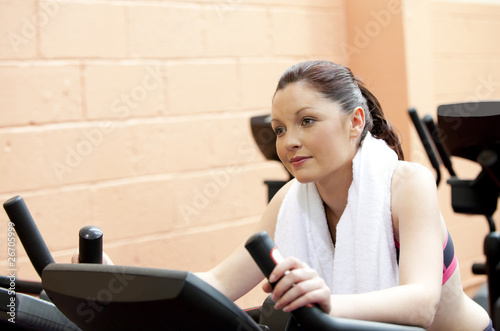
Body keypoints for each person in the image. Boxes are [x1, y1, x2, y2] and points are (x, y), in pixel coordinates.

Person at [72, 60, 492, 330]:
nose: (289, 141)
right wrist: (121, 284)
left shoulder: (406, 185)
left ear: (355, 122)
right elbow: (218, 282)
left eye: (307, 120)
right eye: (279, 129)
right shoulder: (290, 201)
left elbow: (421, 305)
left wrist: (327, 302)